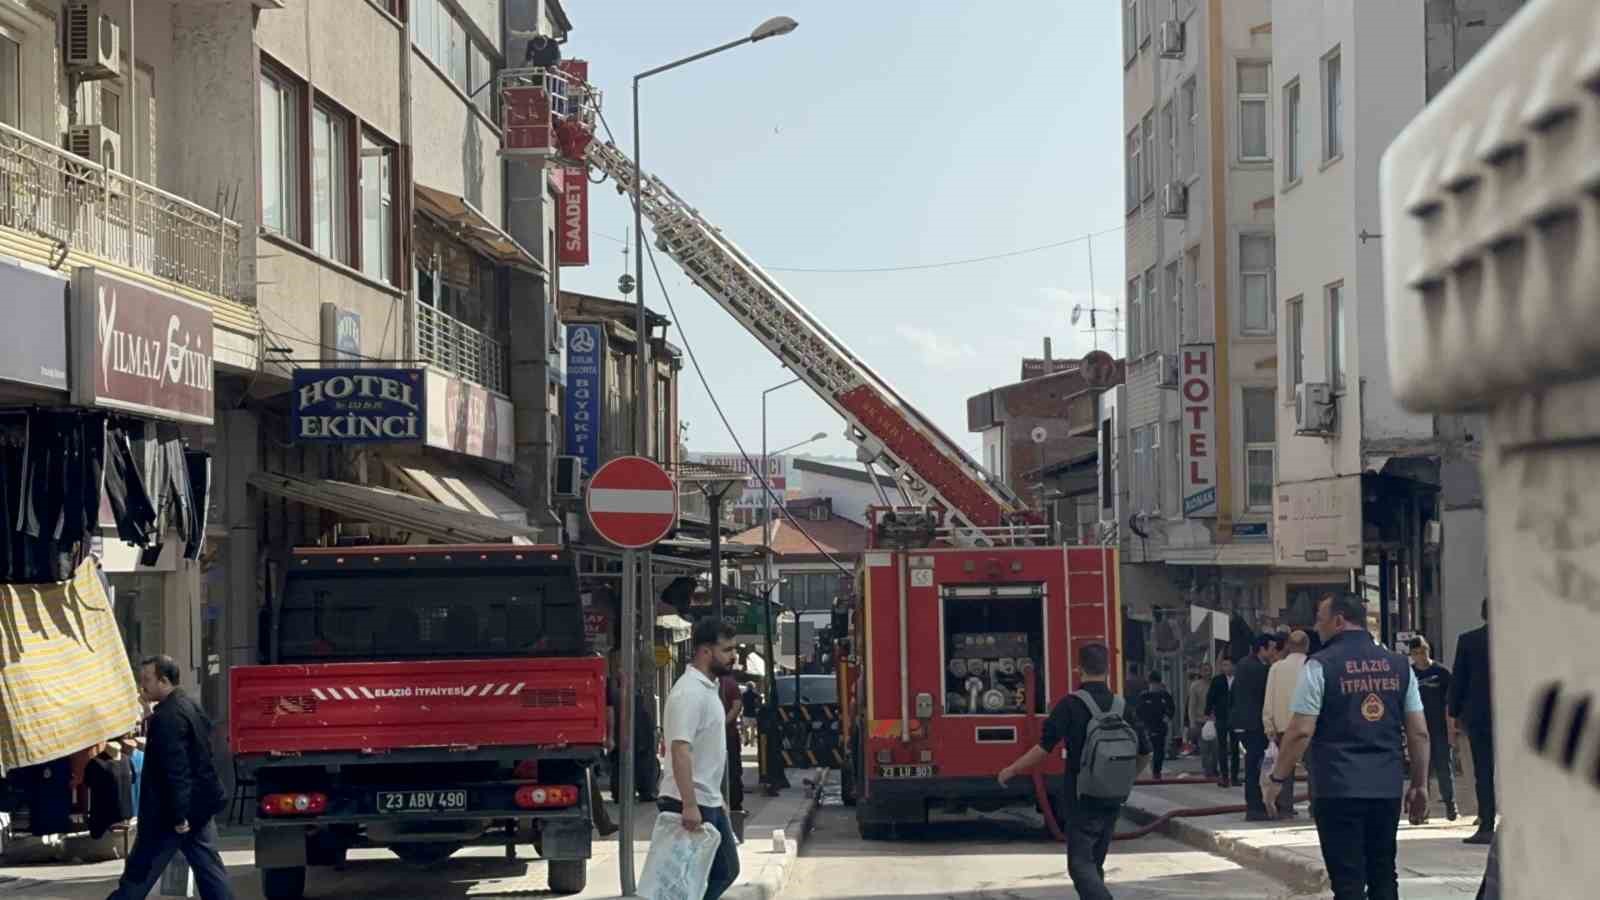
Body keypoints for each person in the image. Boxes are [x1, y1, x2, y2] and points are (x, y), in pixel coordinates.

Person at [1265, 593, 1431, 900]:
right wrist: (1419, 785)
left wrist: (1277, 779)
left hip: (1337, 788)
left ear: (1339, 620)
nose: (1317, 626)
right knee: (1384, 874)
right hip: (1385, 788)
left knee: (1347, 881)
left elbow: (1301, 731)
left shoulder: (1320, 666)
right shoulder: (1399, 666)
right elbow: (1419, 733)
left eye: (1320, 618)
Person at [998, 644, 1150, 900]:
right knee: (1095, 863)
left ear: (1079, 670)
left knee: (1080, 865)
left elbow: (1044, 748)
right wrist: (1126, 780)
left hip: (1081, 796)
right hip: (1113, 797)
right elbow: (1145, 752)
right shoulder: (1122, 706)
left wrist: (1012, 769)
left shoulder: (1070, 705)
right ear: (1108, 670)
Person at [106, 656, 232, 900]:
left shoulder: (168, 718)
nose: (142, 686)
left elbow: (176, 770)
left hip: (171, 815)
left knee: (139, 875)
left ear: (164, 681)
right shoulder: (189, 706)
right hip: (196, 809)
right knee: (210, 872)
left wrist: (179, 815)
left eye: (147, 680)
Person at [656, 618, 741, 900]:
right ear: (706, 651)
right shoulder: (689, 692)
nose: (734, 656)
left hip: (708, 799)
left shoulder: (707, 688)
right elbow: (680, 749)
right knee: (687, 881)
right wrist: (690, 805)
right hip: (687, 801)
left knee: (723, 871)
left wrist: (718, 799)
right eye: (727, 650)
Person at [1450, 598, 1494, 845]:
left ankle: (1486, 825)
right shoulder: (1518, 640)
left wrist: (1455, 713)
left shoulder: (1468, 640)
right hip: (1511, 717)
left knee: (1484, 772)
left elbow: (1459, 680)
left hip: (1479, 717)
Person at [1262, 630, 1311, 818]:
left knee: (1284, 767)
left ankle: (1285, 808)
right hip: (1309, 726)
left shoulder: (1276, 668)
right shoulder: (1313, 666)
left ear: (1289, 646)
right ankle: (1316, 808)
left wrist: (1269, 726)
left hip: (1284, 727)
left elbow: (1269, 699)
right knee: (1314, 768)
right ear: (1307, 646)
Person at [1409, 636, 1458, 821]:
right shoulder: (1410, 674)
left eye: (1424, 650)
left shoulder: (1442, 673)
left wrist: (1451, 730)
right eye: (1418, 652)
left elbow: (1449, 704)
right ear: (1412, 655)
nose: (1422, 655)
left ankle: (1450, 805)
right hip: (1418, 729)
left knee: (1444, 768)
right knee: (1421, 771)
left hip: (1439, 729)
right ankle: (1421, 810)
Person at [1233, 634, 1276, 820]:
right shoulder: (1260, 669)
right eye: (1272, 648)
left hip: (1244, 723)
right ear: (1262, 648)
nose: (1274, 652)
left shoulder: (1242, 664)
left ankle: (1254, 805)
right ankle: (1255, 807)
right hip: (1256, 724)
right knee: (1256, 766)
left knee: (1252, 765)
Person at [1134, 673, 1175, 778]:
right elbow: (1138, 712)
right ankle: (1148, 770)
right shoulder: (1144, 696)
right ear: (1149, 684)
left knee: (1159, 749)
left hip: (1160, 726)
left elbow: (1171, 709)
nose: (1154, 686)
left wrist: (1167, 717)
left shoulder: (1165, 695)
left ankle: (1157, 771)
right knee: (1149, 749)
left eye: (1156, 684)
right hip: (1147, 727)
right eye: (1152, 684)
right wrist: (1141, 724)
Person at [1205, 656, 1237, 787]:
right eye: (1224, 665)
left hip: (1236, 717)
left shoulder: (1238, 679)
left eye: (1228, 665)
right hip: (1221, 717)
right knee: (1222, 747)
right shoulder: (1217, 680)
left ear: (1233, 666)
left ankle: (1234, 777)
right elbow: (1210, 697)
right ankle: (1224, 776)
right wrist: (1208, 713)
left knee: (1235, 747)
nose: (1226, 668)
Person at [718, 671, 744, 813]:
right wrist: (723, 723)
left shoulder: (723, 683)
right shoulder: (730, 683)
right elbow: (737, 706)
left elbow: (736, 706)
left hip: (723, 736)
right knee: (733, 771)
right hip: (728, 735)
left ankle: (731, 804)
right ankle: (734, 806)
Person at [1186, 664, 1211, 757]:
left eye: (1209, 670)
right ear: (1201, 672)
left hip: (1213, 719)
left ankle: (1212, 766)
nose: (1208, 673)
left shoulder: (1214, 684)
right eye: (1205, 670)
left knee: (1214, 746)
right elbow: (1191, 705)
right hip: (1200, 720)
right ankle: (1207, 767)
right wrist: (1192, 722)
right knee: (1204, 746)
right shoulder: (1195, 686)